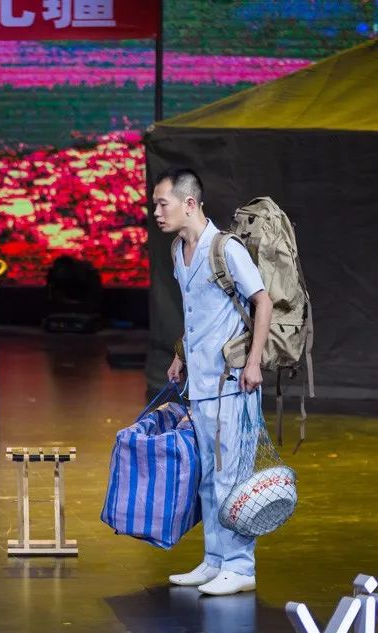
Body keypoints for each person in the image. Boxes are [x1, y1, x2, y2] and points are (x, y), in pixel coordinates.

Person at [153, 168, 273, 596]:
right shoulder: (178, 250)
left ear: (189, 203)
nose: (156, 212)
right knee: (207, 476)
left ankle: (241, 566)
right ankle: (214, 560)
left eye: (162, 203)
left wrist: (254, 362)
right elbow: (195, 312)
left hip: (231, 383)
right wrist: (179, 355)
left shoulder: (225, 249)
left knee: (232, 478)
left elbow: (262, 302)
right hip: (200, 385)